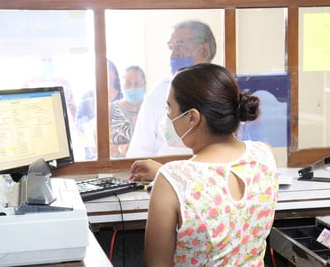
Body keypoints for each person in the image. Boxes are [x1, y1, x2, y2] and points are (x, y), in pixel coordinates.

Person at [130, 64, 279, 266]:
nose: (167, 117)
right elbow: (217, 178)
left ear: (192, 118)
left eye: (169, 108)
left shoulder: (171, 181)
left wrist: (168, 180)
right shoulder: (264, 155)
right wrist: (167, 177)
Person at [126, 20, 217, 158]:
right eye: (171, 48)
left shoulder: (223, 90)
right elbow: (139, 151)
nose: (173, 55)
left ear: (204, 50)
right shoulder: (159, 93)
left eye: (180, 46)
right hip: (163, 174)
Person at [110, 65, 147, 158]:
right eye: (128, 84)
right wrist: (120, 148)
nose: (133, 88)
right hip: (118, 167)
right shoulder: (110, 111)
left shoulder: (152, 110)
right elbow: (99, 146)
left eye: (137, 84)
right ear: (121, 86)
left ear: (145, 86)